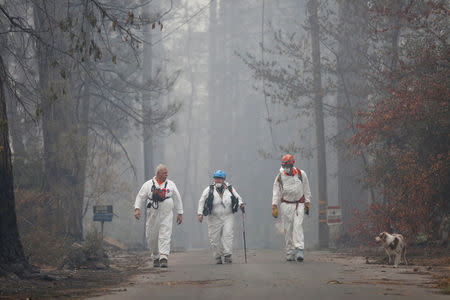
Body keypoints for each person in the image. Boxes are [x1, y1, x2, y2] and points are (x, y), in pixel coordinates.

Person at [134, 164, 183, 268]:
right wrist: (137, 209)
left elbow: (177, 198)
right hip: (152, 214)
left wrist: (180, 212)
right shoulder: (148, 184)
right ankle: (156, 256)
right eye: (164, 173)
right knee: (152, 236)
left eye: (167, 173)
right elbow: (140, 197)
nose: (166, 175)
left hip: (166, 214)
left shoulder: (171, 184)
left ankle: (164, 257)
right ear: (158, 173)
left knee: (165, 233)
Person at [197, 170, 245, 264]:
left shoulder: (230, 188)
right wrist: (200, 213)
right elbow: (202, 201)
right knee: (214, 238)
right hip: (213, 217)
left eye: (220, 179)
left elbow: (238, 198)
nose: (218, 180)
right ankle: (217, 256)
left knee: (228, 235)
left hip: (228, 216)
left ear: (223, 179)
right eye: (216, 178)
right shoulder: (209, 189)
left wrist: (241, 204)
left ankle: (227, 255)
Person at [272, 154, 311, 262]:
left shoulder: (301, 174)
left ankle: (299, 249)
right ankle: (290, 251)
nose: (286, 168)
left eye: (288, 165)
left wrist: (307, 202)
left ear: (292, 164)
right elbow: (276, 192)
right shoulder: (279, 177)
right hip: (286, 205)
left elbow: (306, 189)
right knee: (288, 229)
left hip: (299, 204)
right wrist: (274, 205)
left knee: (297, 226)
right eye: (284, 166)